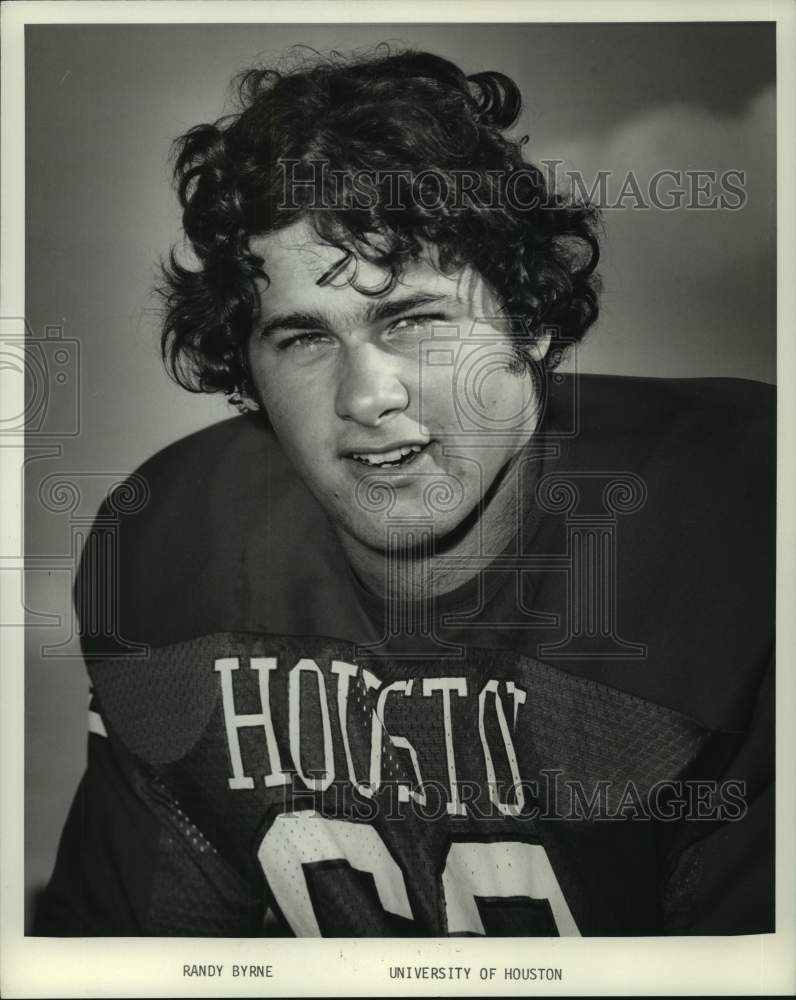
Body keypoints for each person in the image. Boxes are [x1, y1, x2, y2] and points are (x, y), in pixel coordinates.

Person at [34, 47, 774, 937]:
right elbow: (124, 967)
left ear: (530, 320)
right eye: (304, 339)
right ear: (248, 368)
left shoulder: (745, 520)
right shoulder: (175, 546)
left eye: (415, 320)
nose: (367, 396)